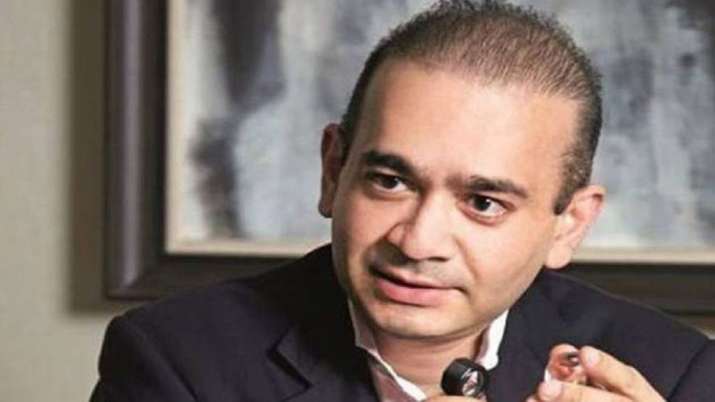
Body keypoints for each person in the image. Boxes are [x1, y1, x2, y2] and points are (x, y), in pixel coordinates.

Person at [91, 1, 714, 401]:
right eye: (390, 181)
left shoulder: (676, 374)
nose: (418, 241)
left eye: (483, 202)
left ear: (568, 225)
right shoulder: (177, 361)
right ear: (333, 171)